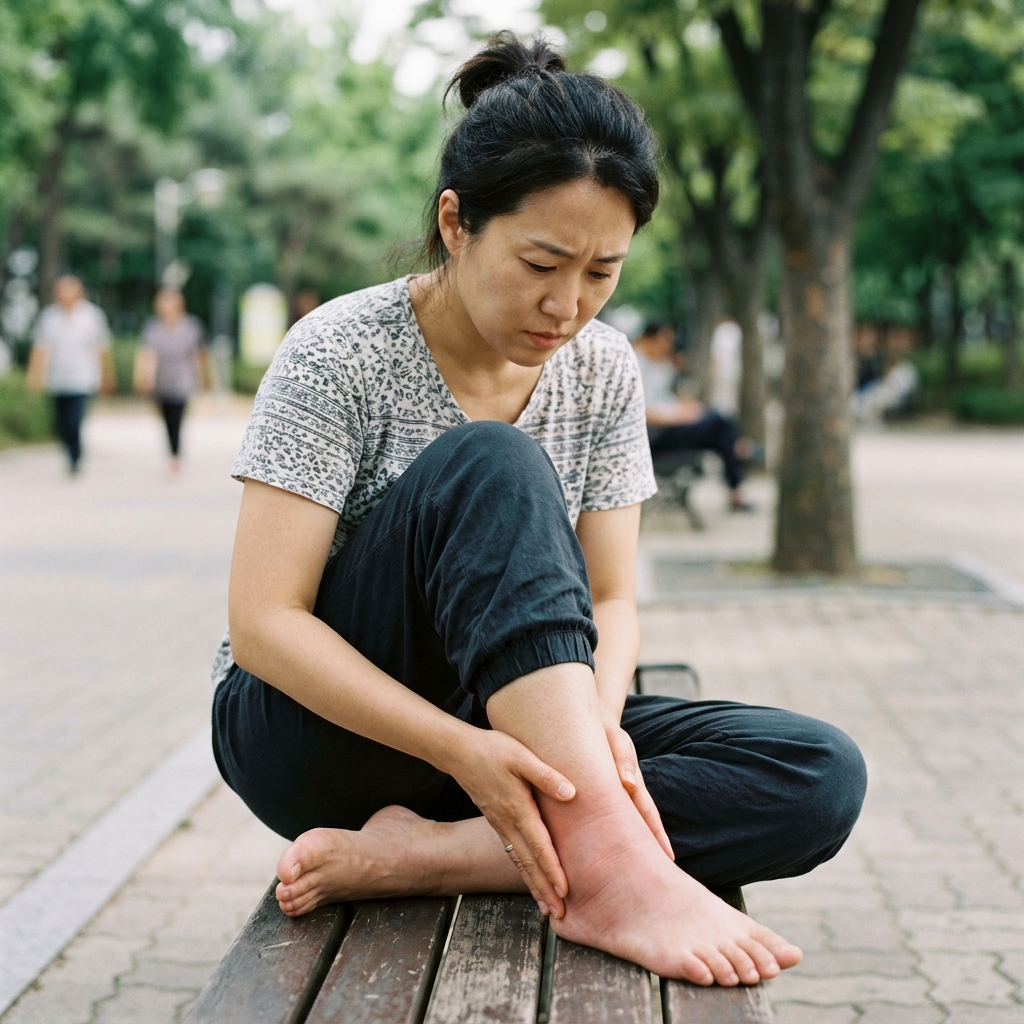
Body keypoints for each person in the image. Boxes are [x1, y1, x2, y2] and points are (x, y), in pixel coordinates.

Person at [211, 34, 866, 987]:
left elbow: (611, 599)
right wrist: (463, 748)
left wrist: (599, 733)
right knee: (491, 461)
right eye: (542, 263)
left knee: (817, 775)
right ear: (456, 222)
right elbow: (264, 626)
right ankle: (602, 859)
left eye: (602, 273)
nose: (567, 308)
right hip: (318, 733)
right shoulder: (338, 351)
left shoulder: (603, 370)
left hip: (510, 727)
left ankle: (439, 858)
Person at [634, 322, 755, 511]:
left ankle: (737, 466)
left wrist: (684, 410)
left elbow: (664, 401)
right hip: (656, 436)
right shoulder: (636, 363)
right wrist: (681, 415)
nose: (668, 347)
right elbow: (642, 412)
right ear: (648, 338)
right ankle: (741, 452)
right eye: (664, 341)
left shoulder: (655, 365)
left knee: (720, 430)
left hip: (667, 429)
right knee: (718, 422)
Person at [26, 275, 114, 474]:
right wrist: (35, 375)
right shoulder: (49, 317)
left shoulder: (92, 316)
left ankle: (76, 456)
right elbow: (41, 348)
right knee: (62, 422)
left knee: (75, 420)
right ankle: (69, 450)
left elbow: (101, 348)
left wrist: (107, 375)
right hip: (57, 378)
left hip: (84, 377)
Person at [135, 288, 209, 474]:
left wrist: (203, 377)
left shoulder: (191, 327)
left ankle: (175, 456)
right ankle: (172, 451)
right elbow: (148, 355)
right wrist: (145, 377)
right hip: (161, 380)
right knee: (166, 419)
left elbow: (198, 355)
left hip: (183, 379)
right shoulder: (153, 328)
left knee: (177, 417)